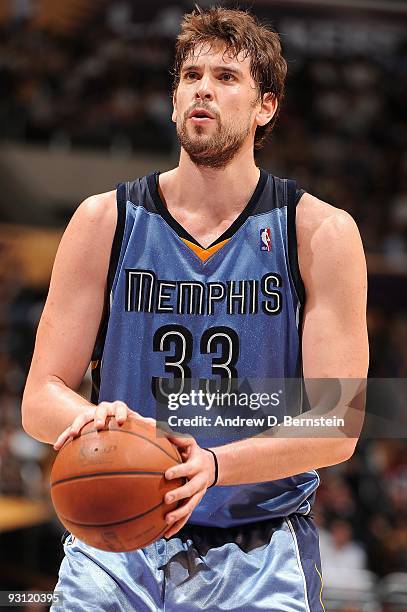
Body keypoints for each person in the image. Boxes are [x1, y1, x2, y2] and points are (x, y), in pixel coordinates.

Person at [22, 6, 369, 611]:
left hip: (258, 549)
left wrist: (213, 464)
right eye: (190, 75)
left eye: (226, 77)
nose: (203, 87)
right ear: (174, 99)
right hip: (114, 549)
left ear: (267, 106)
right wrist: (86, 420)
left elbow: (338, 422)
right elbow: (40, 397)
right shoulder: (104, 221)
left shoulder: (319, 233)